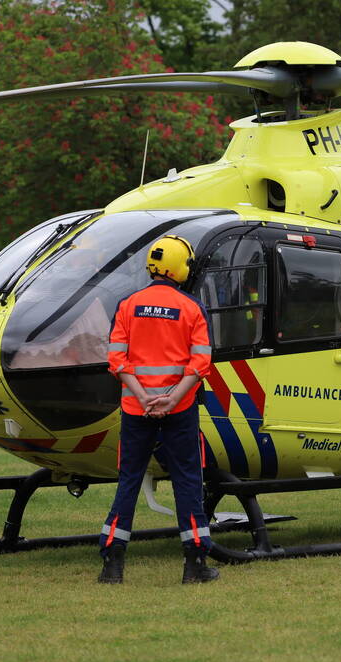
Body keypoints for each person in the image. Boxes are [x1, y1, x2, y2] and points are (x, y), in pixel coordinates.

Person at [98, 234, 218, 585]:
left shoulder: (127, 305)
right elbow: (200, 364)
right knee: (188, 481)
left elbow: (117, 361)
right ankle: (195, 564)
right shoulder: (192, 308)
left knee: (129, 480)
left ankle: (112, 565)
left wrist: (144, 396)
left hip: (136, 408)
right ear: (180, 267)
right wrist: (170, 398)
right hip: (179, 409)